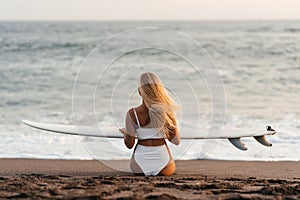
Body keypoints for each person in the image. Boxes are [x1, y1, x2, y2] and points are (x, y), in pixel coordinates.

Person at [119, 72, 180, 176]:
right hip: (164, 165)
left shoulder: (132, 114)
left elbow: (129, 145)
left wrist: (126, 133)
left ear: (139, 91)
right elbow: (176, 141)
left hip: (139, 165)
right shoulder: (167, 112)